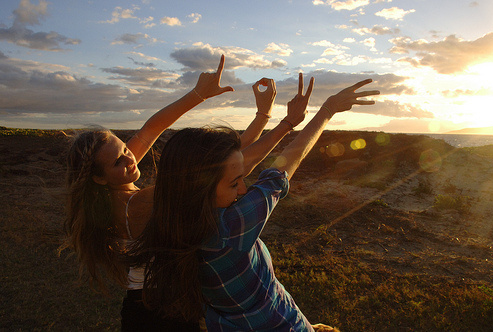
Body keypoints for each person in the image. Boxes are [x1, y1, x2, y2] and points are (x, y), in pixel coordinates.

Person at [61, 55, 295, 330]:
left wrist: (199, 94)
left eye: (125, 148)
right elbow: (230, 164)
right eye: (117, 161)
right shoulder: (138, 203)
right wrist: (280, 122)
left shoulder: (109, 187)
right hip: (164, 312)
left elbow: (151, 129)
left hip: (142, 304)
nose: (129, 159)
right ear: (98, 177)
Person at [129, 76, 380, 331]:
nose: (243, 188)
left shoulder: (170, 216)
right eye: (234, 183)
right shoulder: (230, 228)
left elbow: (235, 164)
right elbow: (285, 165)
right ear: (200, 189)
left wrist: (281, 120)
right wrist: (327, 110)